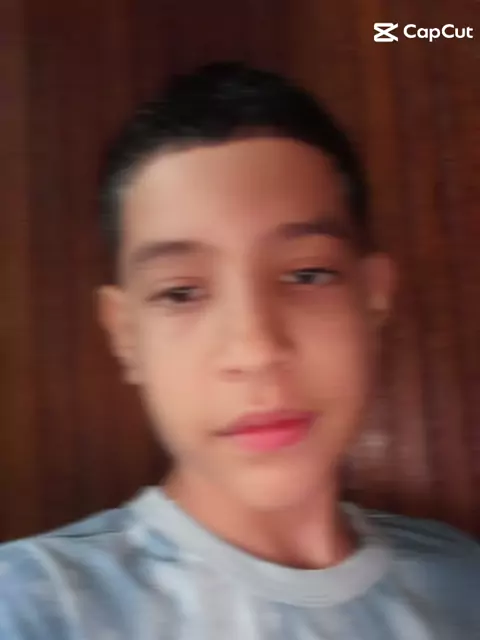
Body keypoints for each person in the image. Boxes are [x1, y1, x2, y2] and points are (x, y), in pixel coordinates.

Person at [0, 61, 478, 639]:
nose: (254, 349)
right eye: (181, 293)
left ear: (374, 297)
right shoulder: (37, 605)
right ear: (125, 334)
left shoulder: (461, 583)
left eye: (307, 274)